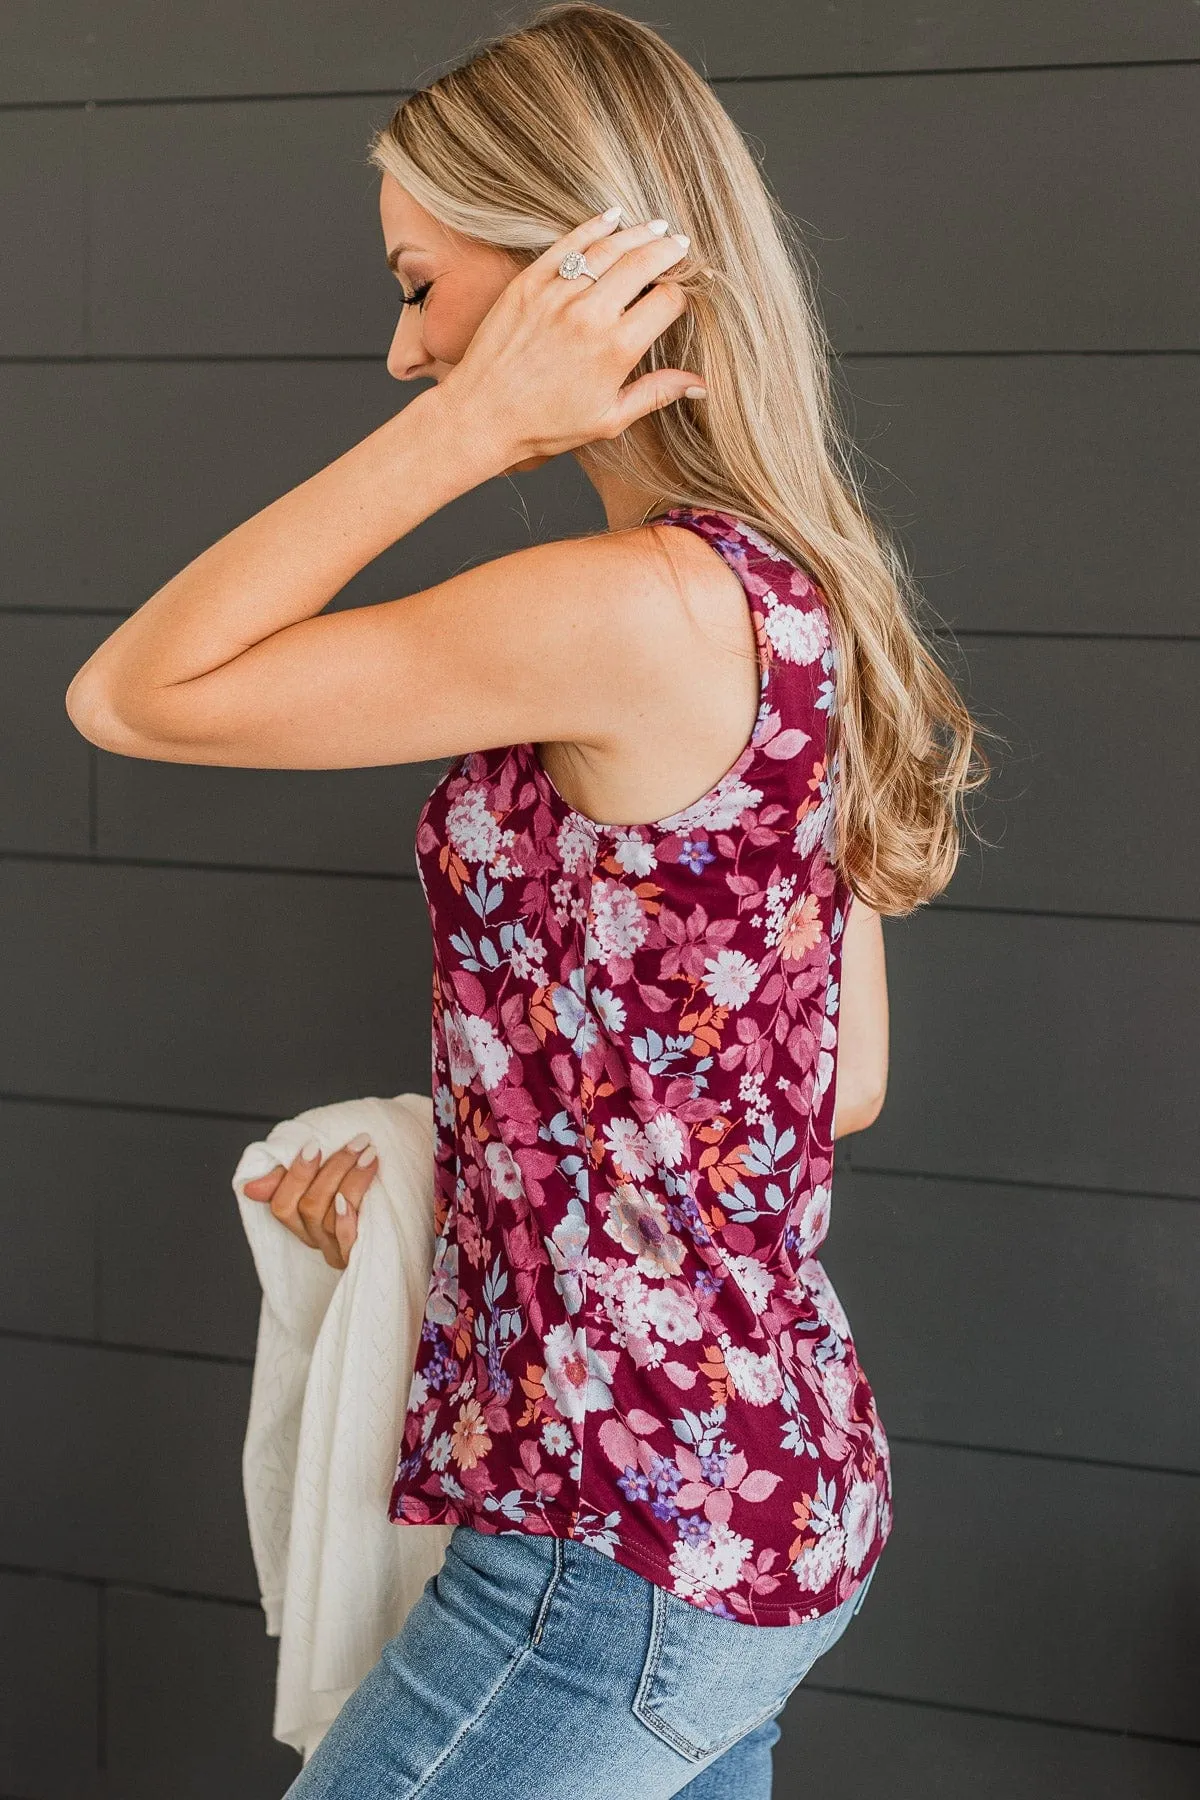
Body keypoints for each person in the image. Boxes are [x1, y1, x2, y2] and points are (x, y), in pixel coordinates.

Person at [64, 5, 990, 1793]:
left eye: (422, 286)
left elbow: (132, 695)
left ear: (575, 267)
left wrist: (482, 430)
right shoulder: (803, 591)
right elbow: (832, 1079)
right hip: (773, 1496)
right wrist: (460, 1181)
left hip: (613, 1547)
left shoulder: (628, 605)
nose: (407, 349)